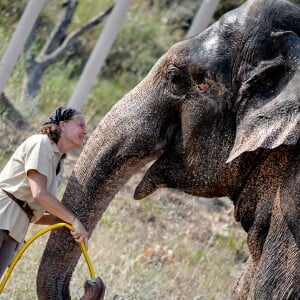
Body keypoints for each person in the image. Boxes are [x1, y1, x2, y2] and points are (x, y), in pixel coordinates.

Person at [0, 106, 89, 278]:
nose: (85, 131)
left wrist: (73, 225)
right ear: (63, 125)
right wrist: (73, 219)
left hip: (16, 228)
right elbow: (39, 194)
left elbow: (38, 213)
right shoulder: (41, 144)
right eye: (81, 125)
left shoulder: (59, 163)